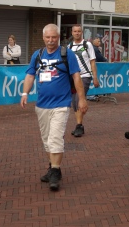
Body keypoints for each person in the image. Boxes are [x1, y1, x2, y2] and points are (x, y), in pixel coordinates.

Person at [21, 24, 88, 191]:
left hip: (61, 104)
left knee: (55, 138)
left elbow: (76, 76)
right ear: (43, 38)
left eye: (54, 37)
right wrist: (24, 93)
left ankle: (55, 173)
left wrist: (82, 99)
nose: (51, 41)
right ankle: (52, 166)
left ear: (59, 37)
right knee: (47, 140)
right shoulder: (38, 55)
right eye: (48, 37)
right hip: (42, 105)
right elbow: (30, 75)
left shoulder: (67, 54)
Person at [68, 25, 99, 137]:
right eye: (75, 31)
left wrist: (95, 77)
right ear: (72, 33)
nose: (77, 33)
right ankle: (79, 125)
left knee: (78, 99)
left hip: (85, 76)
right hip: (72, 77)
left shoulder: (87, 45)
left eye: (79, 31)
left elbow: (92, 62)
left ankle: (79, 125)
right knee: (74, 102)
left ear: (82, 32)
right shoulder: (69, 46)